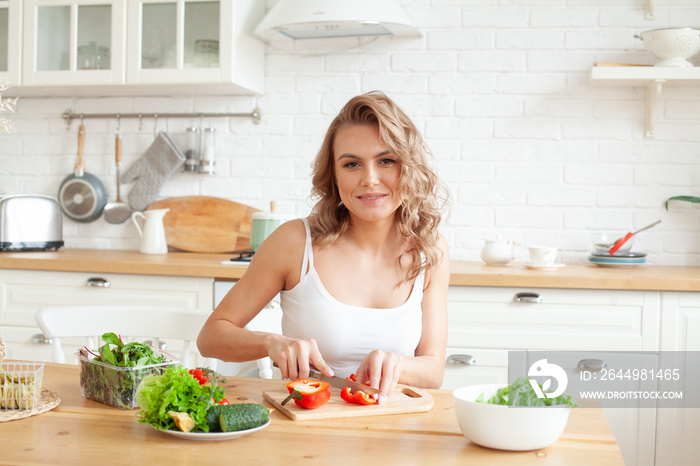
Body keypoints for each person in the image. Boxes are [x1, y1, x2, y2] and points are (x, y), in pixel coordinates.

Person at [197, 91, 450, 404]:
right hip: (304, 427)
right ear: (334, 175)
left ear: (408, 168)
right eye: (352, 164)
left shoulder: (430, 249)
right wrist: (272, 343)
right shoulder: (294, 243)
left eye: (386, 161)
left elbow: (433, 370)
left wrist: (399, 365)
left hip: (392, 428)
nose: (370, 179)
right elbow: (210, 337)